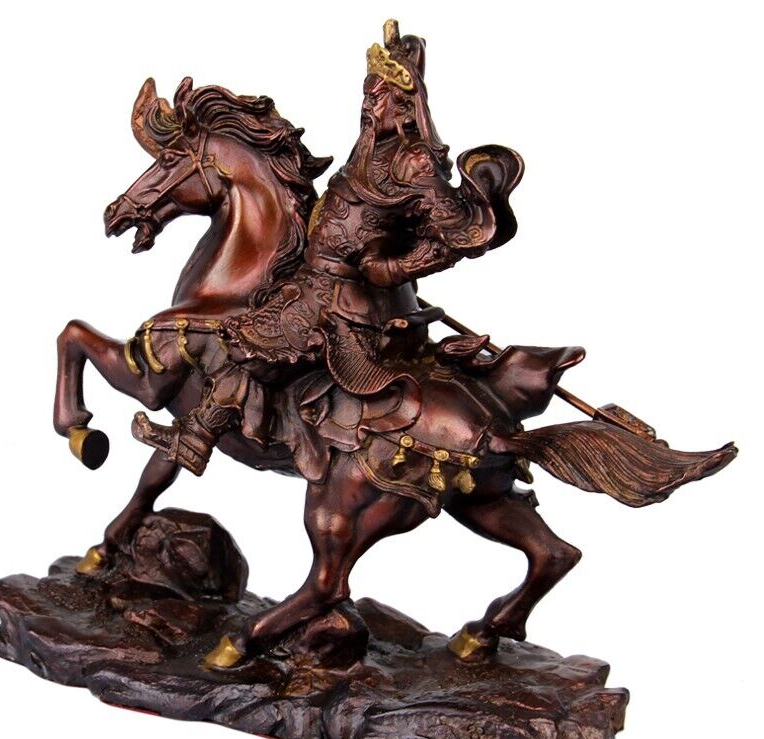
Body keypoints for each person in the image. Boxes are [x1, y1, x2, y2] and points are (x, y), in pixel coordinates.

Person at [133, 19, 523, 476]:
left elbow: (456, 234)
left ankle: (196, 439)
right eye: (367, 94)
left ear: (404, 102)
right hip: (313, 283)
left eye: (378, 96)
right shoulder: (372, 149)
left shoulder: (414, 161)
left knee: (247, 345)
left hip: (344, 302)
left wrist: (396, 266)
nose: (368, 104)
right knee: (245, 329)